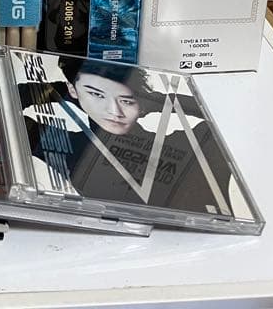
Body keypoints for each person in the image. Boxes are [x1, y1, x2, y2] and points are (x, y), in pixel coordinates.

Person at [18, 57, 237, 217]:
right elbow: (11, 101)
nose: (114, 112)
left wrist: (159, 100)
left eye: (126, 100)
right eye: (96, 94)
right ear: (73, 91)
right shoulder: (68, 148)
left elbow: (220, 119)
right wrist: (62, 91)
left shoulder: (188, 143)